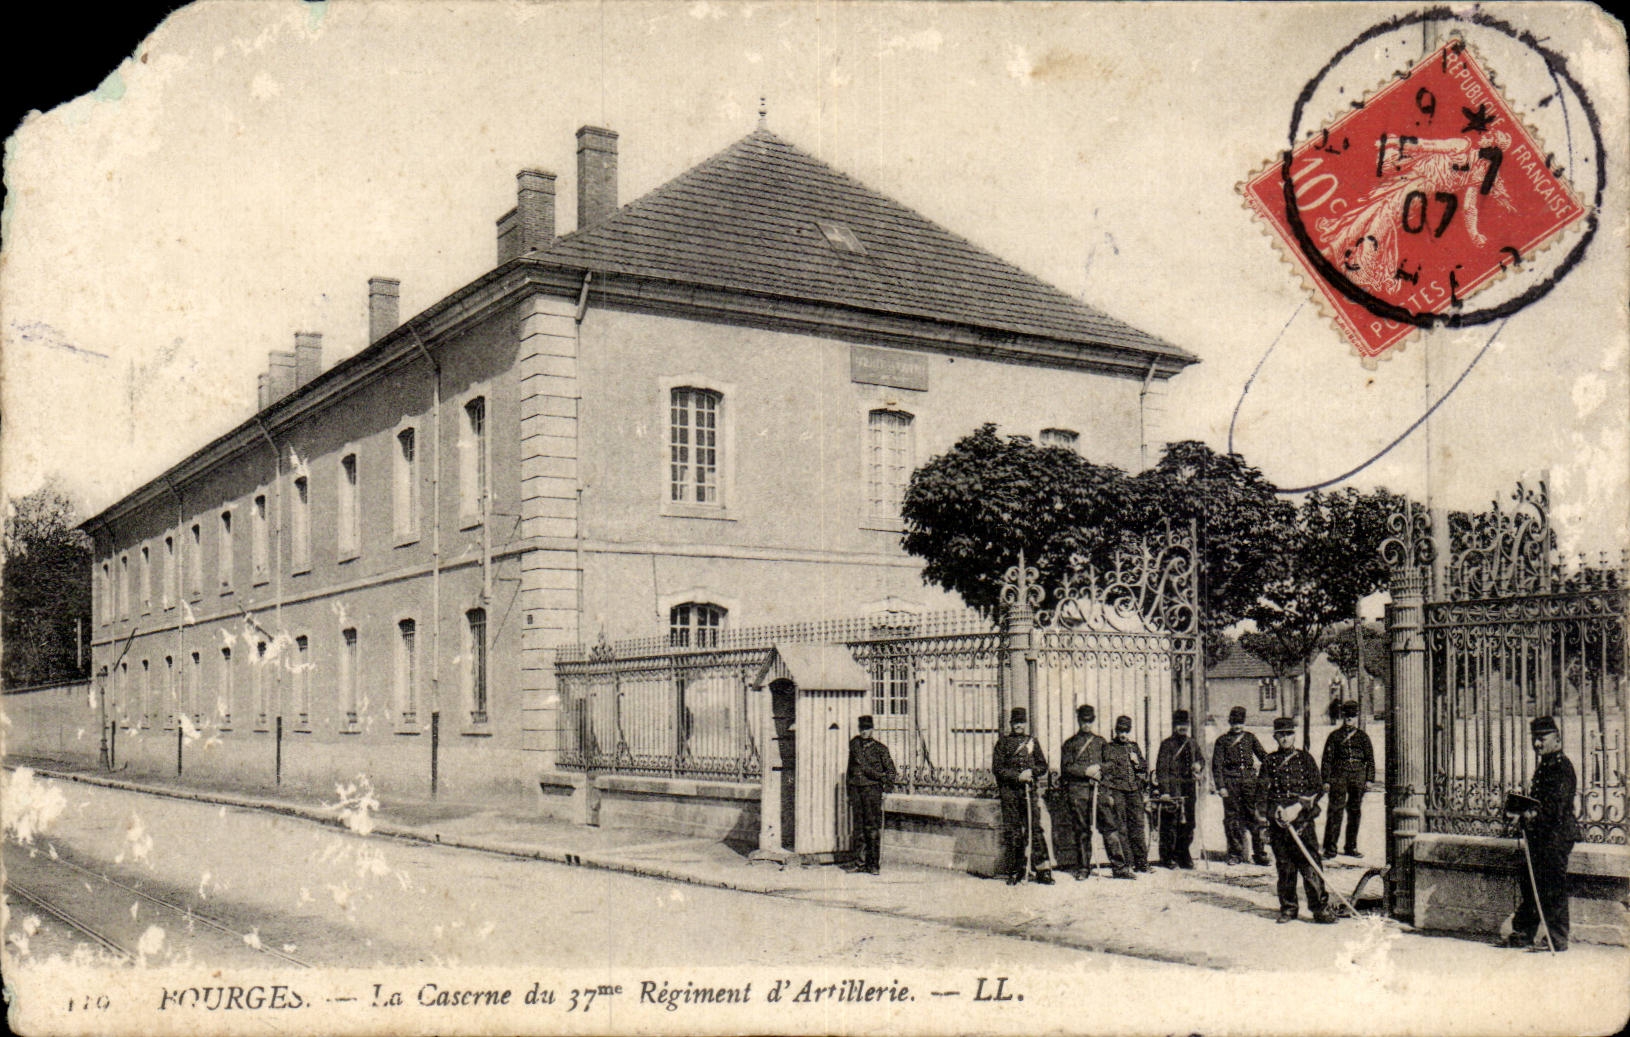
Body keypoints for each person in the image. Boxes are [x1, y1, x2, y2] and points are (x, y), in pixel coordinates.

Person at [1504, 716, 1580, 951]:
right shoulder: (1546, 764)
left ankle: (1557, 938)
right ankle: (1526, 933)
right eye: (1534, 739)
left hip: (1556, 836)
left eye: (1542, 738)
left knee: (1552, 887)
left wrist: (1530, 814)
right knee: (1531, 883)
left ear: (1557, 739)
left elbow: (1556, 806)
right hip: (1541, 836)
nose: (1537, 744)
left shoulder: (1562, 767)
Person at [1260, 716, 1335, 924]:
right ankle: (1288, 909)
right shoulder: (1269, 762)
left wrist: (1298, 807)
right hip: (1279, 824)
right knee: (1285, 868)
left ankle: (1320, 908)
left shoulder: (1305, 759)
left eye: (1289, 734)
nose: (1285, 739)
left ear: (1294, 735)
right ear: (1275, 737)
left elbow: (1317, 789)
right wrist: (1274, 813)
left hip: (1302, 821)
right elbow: (1262, 793)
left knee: (1310, 865)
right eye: (1281, 735)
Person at [992, 707, 1055, 885]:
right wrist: (1017, 776)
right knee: (1013, 831)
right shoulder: (1003, 743)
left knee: (1034, 829)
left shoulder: (1032, 742)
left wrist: (1031, 772)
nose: (1019, 725)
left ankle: (1043, 870)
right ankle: (1016, 870)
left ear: (1025, 723)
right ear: (1011, 724)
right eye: (1015, 722)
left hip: (1028, 793)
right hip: (1010, 794)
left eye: (1021, 722)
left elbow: (1043, 765)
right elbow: (998, 769)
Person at [1058, 703, 1116, 880]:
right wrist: (1085, 771)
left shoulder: (1101, 742)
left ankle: (1119, 866)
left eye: (1090, 721)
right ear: (1078, 721)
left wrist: (1099, 767)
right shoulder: (1070, 744)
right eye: (1084, 721)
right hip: (1078, 793)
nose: (1087, 725)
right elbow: (1066, 768)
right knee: (1082, 830)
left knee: (1110, 828)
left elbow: (1111, 763)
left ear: (1094, 721)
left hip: (1099, 793)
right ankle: (1083, 868)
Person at [1212, 706, 1270, 866]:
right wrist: (1221, 786)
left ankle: (1260, 853)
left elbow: (1264, 757)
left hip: (1250, 783)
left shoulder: (1250, 738)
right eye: (1234, 723)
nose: (1237, 726)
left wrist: (1267, 774)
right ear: (1230, 723)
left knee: (1254, 817)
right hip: (1231, 783)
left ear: (1244, 723)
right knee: (1232, 819)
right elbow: (1217, 766)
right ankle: (1235, 854)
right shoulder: (1222, 741)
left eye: (1240, 723)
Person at [1320, 700, 1375, 859]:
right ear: (1342, 717)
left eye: (1352, 716)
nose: (1349, 719)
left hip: (1358, 777)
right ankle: (1330, 848)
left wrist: (1369, 779)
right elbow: (1327, 760)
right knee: (1335, 811)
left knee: (1354, 812)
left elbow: (1370, 760)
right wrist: (1326, 780)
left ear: (1356, 717)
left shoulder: (1363, 737)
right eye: (1346, 716)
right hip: (1339, 777)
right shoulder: (1334, 736)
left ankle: (1351, 846)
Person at [845, 714, 897, 875]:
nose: (864, 732)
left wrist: (886, 789)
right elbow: (850, 770)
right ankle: (859, 863)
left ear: (872, 729)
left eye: (867, 729)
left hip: (872, 791)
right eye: (862, 729)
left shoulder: (880, 749)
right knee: (858, 828)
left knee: (872, 828)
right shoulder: (854, 745)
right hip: (857, 790)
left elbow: (891, 771)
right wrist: (848, 791)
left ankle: (873, 865)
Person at [1154, 709, 1204, 869]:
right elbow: (1161, 769)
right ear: (1174, 725)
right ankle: (1168, 856)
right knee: (1170, 825)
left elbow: (1201, 760)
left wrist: (1198, 766)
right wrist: (1165, 791)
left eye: (1185, 724)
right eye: (1179, 724)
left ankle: (1183, 854)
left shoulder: (1192, 743)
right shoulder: (1167, 745)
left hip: (1189, 789)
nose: (1183, 728)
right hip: (1173, 789)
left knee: (1188, 824)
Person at [1105, 715, 1151, 872]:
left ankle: (1142, 862)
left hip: (1134, 791)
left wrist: (1137, 761)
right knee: (1121, 827)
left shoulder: (1134, 747)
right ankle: (1128, 863)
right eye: (1120, 731)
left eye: (1126, 731)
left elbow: (1144, 767)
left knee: (1138, 825)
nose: (1123, 734)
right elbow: (1106, 772)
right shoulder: (1109, 747)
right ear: (1115, 731)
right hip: (1118, 790)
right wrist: (1109, 793)